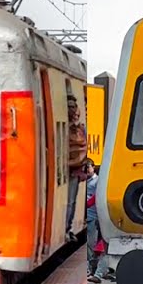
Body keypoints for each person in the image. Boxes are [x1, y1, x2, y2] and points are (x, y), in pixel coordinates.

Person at [65, 96, 87, 240]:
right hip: (67, 169)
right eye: (69, 106)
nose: (72, 109)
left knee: (71, 201)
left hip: (73, 170)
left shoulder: (79, 129)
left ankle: (67, 228)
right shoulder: (76, 128)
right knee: (70, 201)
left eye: (73, 106)